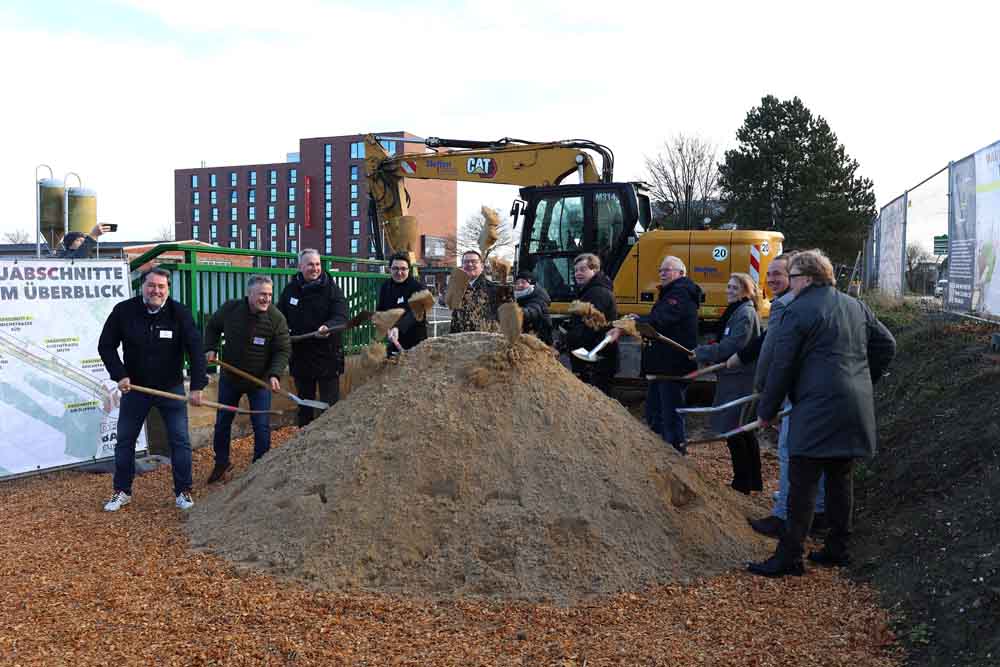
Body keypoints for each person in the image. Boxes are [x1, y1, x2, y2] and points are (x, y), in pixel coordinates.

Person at [748, 249, 896, 578]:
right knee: (841, 480)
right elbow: (887, 345)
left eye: (795, 276)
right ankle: (837, 548)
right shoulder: (855, 305)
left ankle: (789, 556)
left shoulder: (797, 310)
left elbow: (782, 365)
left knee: (802, 483)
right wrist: (862, 380)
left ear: (809, 278)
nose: (792, 283)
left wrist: (766, 410)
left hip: (815, 409)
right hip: (853, 407)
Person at [731, 253, 827, 537]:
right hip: (809, 390)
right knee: (805, 453)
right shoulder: (801, 305)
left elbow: (776, 354)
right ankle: (817, 511)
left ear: (799, 278)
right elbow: (765, 342)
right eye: (769, 273)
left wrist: (764, 395)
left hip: (796, 391)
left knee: (789, 451)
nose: (771, 279)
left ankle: (785, 516)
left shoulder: (789, 308)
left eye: (779, 274)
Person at [97, 267, 207, 512]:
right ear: (142, 287)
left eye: (161, 286)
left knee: (180, 441)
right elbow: (106, 346)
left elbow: (196, 350)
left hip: (171, 388)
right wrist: (120, 375)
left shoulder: (179, 313)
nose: (155, 290)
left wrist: (198, 385)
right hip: (135, 389)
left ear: (168, 289)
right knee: (124, 441)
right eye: (151, 285)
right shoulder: (124, 311)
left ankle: (183, 491)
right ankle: (122, 491)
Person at [204, 275, 291, 483]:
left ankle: (259, 468)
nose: (266, 299)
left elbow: (283, 349)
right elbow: (213, 327)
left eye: (269, 295)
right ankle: (222, 463)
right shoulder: (231, 310)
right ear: (249, 294)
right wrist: (210, 348)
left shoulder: (276, 318)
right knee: (223, 422)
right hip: (230, 377)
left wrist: (274, 374)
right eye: (262, 294)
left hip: (259, 381)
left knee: (261, 424)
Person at [693, 272, 763, 492]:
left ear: (746, 291)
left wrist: (702, 352)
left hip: (739, 379)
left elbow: (732, 346)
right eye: (729, 287)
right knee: (743, 430)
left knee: (734, 431)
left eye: (734, 288)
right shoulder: (737, 311)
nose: (729, 291)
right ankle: (752, 480)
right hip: (735, 378)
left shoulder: (744, 314)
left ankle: (742, 482)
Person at [629, 255, 701, 455]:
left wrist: (641, 321)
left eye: (666, 270)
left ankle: (675, 454)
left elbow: (662, 319)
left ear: (680, 273)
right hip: (662, 365)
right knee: (655, 412)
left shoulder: (680, 293)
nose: (662, 273)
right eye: (660, 270)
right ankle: (661, 453)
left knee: (669, 413)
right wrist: (640, 319)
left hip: (672, 365)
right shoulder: (671, 293)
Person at [277, 249, 348, 426]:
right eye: (310, 264)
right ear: (300, 266)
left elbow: (341, 316)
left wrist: (328, 327)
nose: (315, 268)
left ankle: (329, 440)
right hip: (301, 357)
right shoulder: (290, 290)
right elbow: (279, 317)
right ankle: (303, 443)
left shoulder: (332, 289)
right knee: (304, 405)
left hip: (328, 356)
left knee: (329, 406)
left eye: (317, 264)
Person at [562, 253, 618, 395]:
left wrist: (569, 340)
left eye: (583, 269)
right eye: (575, 270)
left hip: (596, 361)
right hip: (594, 360)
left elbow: (589, 329)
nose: (578, 274)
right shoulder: (588, 291)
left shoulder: (597, 293)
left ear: (595, 270)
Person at [375, 251, 429, 354]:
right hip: (393, 342)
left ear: (409, 270)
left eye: (403, 269)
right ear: (389, 269)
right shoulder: (385, 287)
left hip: (415, 343)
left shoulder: (418, 288)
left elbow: (415, 314)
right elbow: (381, 309)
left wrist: (398, 328)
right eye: (395, 268)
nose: (399, 272)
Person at [449, 250, 500, 333]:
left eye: (474, 261)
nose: (469, 264)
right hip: (460, 340)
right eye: (466, 262)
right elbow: (455, 318)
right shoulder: (457, 289)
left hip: (484, 340)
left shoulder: (494, 289)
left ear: (482, 266)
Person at [513, 269, 553, 345]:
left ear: (531, 284)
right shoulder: (520, 299)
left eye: (523, 282)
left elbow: (533, 311)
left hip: (540, 344)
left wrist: (518, 312)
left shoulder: (539, 298)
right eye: (517, 283)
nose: (519, 285)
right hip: (526, 341)